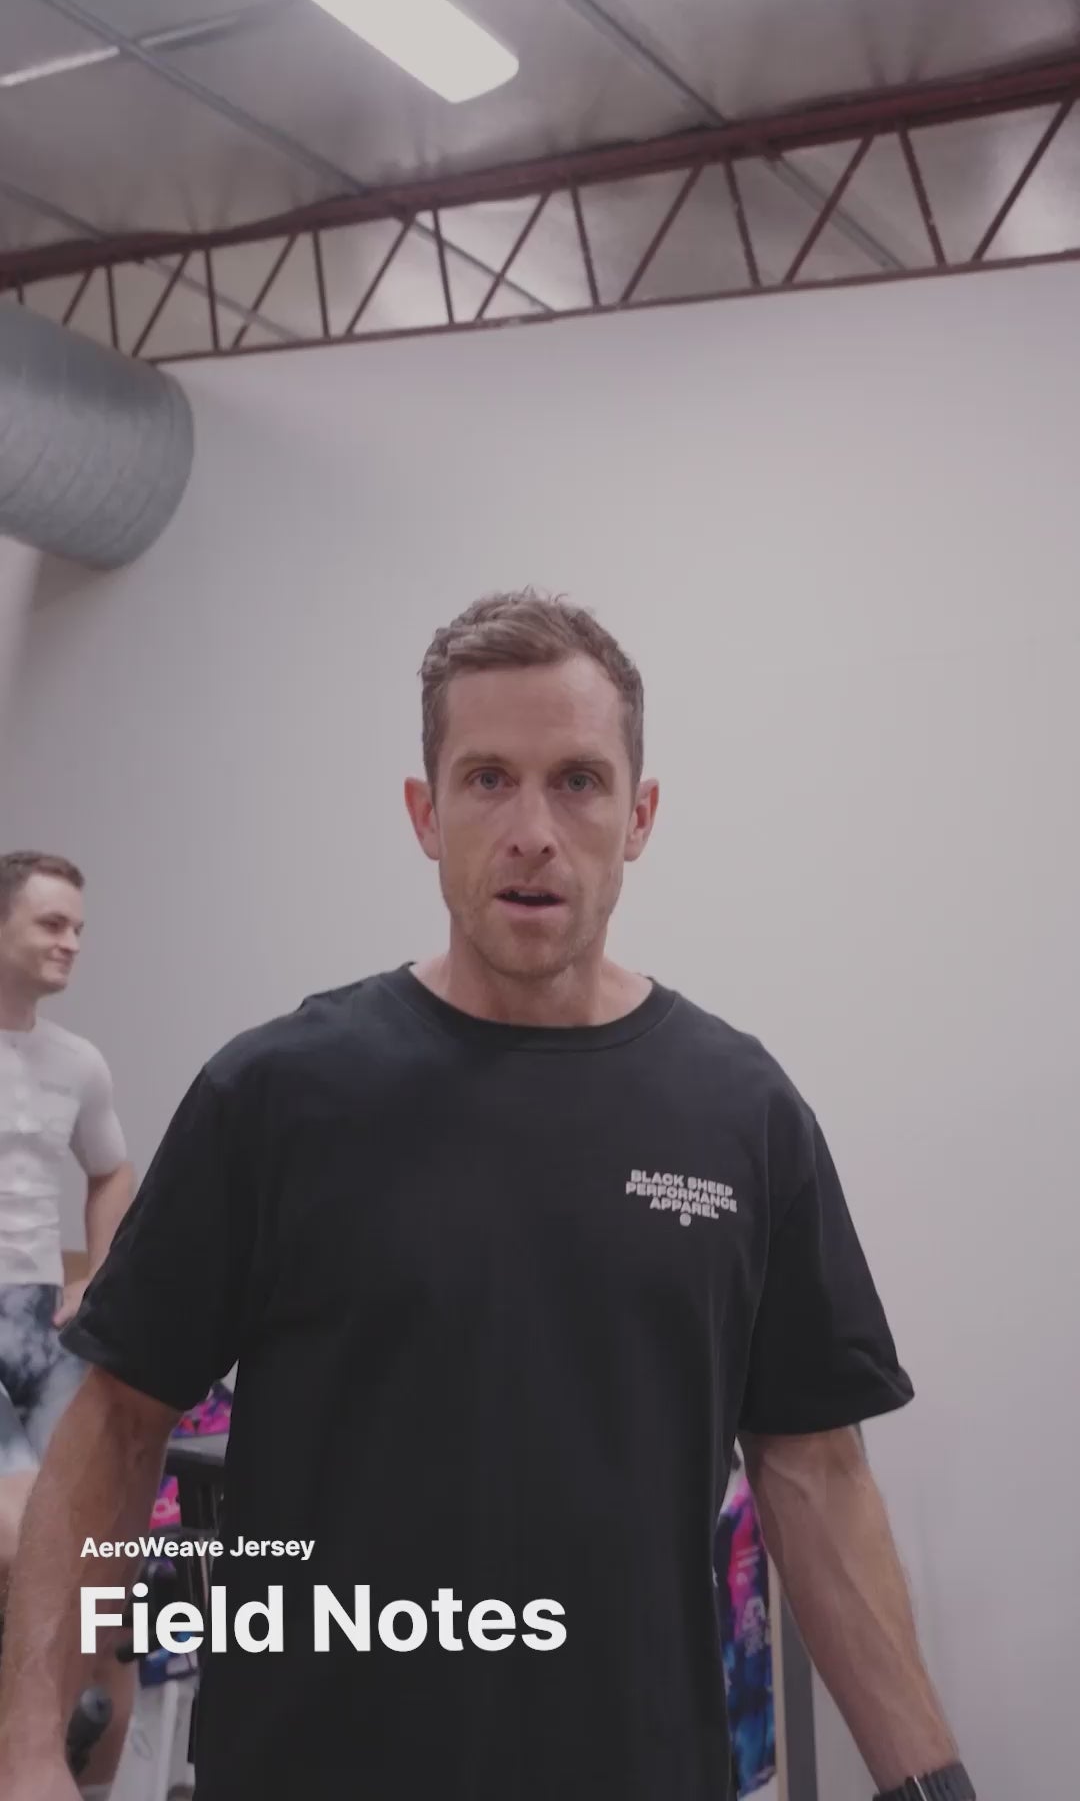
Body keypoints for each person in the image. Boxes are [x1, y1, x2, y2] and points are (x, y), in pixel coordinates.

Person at [0, 595, 975, 1801]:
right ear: (426, 813)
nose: (532, 832)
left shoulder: (740, 1113)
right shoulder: (281, 1095)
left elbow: (815, 1473)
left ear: (640, 815)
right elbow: (116, 1423)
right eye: (488, 780)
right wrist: (30, 1750)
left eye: (578, 781)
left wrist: (930, 1787)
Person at [0, 851, 136, 1795]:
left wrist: (97, 1278)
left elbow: (110, 1171)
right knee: (25, 1539)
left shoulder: (77, 1063)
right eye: (53, 924)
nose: (71, 943)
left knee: (99, 1555)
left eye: (79, 928)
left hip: (41, 1318)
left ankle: (72, 1762)